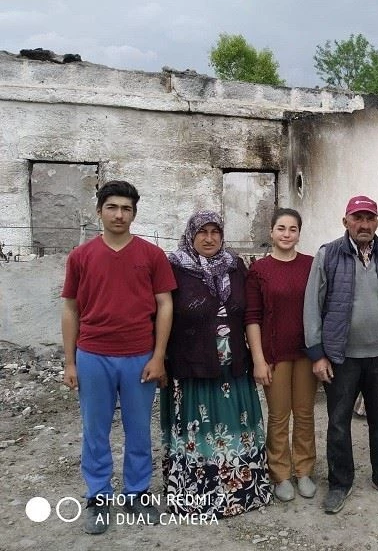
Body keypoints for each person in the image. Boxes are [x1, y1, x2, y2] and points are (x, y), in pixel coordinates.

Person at [61, 180, 176, 534]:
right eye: (112, 207)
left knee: (138, 429)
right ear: (99, 211)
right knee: (94, 430)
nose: (119, 214)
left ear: (134, 214)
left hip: (139, 355)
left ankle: (136, 493)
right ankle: (98, 497)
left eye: (126, 208)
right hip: (93, 355)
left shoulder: (152, 255)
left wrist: (158, 357)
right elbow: (70, 308)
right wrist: (70, 361)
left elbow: (165, 305)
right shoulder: (81, 256)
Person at [303, 195, 378, 514]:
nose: (364, 224)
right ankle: (340, 483)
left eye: (369, 218)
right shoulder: (328, 254)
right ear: (346, 221)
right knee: (339, 422)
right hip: (341, 358)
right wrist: (317, 354)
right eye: (357, 218)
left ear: (377, 223)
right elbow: (312, 306)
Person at [161, 210, 272, 518]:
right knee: (201, 431)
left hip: (233, 365)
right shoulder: (174, 268)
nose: (209, 238)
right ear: (191, 235)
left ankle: (241, 492)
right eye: (202, 232)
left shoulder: (236, 266)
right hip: (191, 366)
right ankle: (199, 496)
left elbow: (249, 313)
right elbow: (161, 313)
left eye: (215, 232)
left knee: (235, 427)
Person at [245, 208, 317, 502]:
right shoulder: (259, 270)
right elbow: (252, 317)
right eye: (281, 228)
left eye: (293, 229)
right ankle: (280, 474)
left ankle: (304, 470)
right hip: (274, 354)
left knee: (305, 413)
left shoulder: (311, 265)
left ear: (299, 233)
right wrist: (258, 359)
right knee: (278, 415)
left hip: (306, 352)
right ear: (271, 232)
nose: (287, 234)